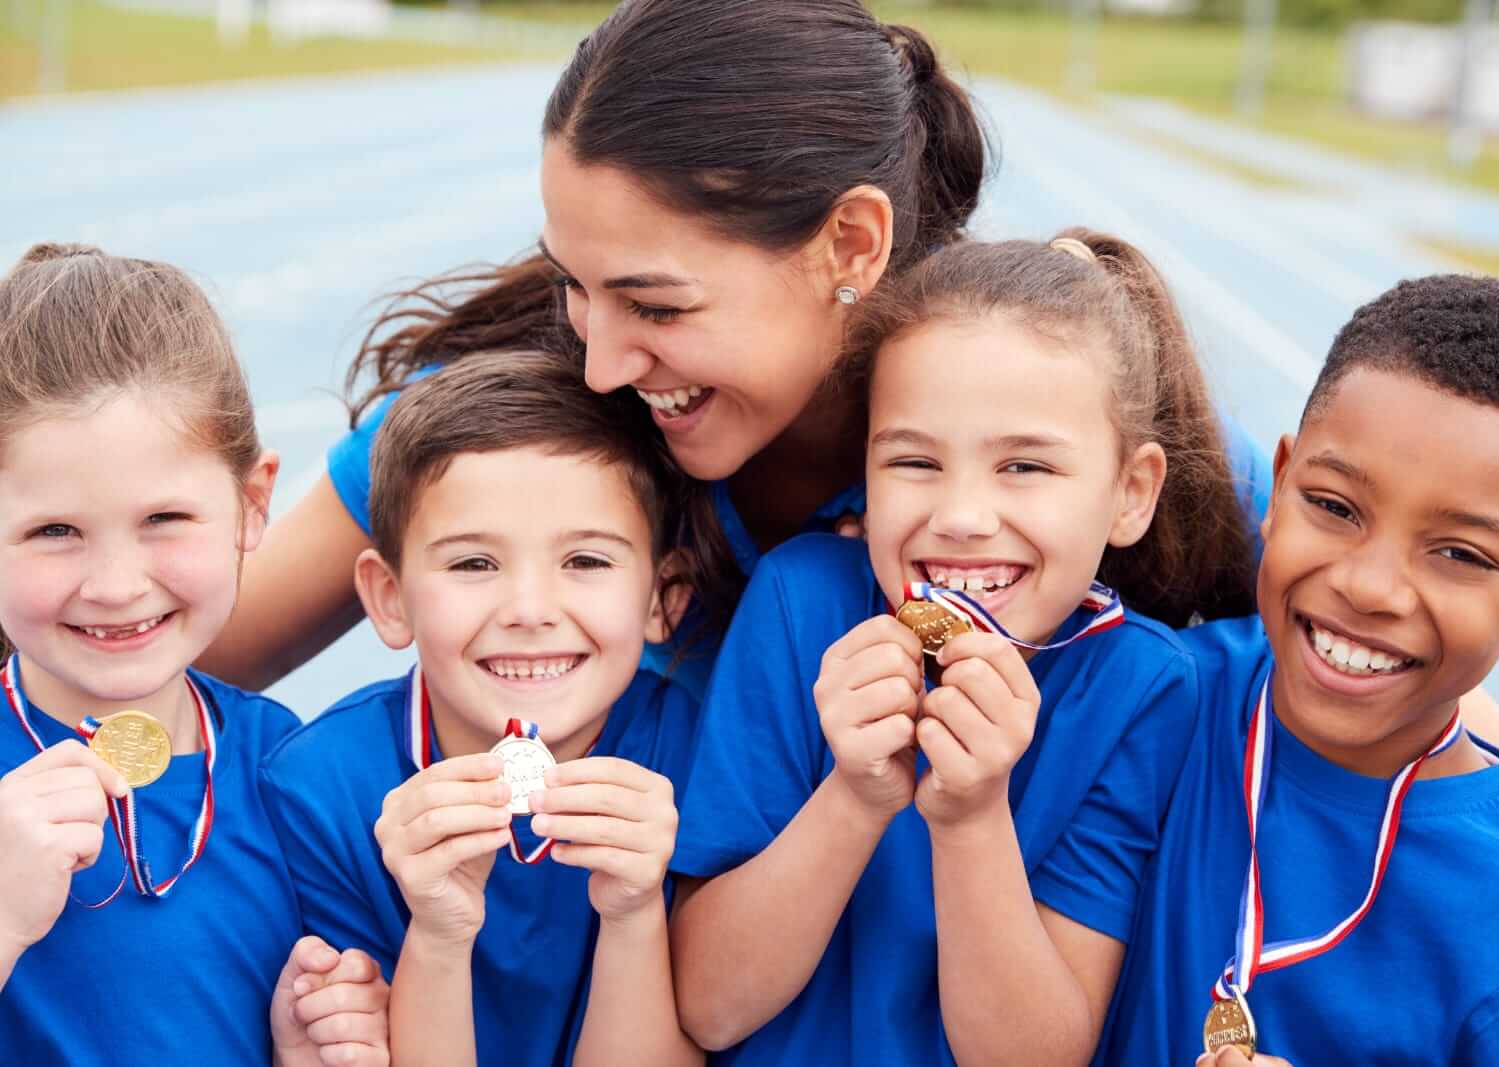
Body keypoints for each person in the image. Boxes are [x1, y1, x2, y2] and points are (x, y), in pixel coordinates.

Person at [196, 1, 1499, 832]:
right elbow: (169, 653)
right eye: (574, 288)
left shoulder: (1035, 417)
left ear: (850, 243)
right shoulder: (518, 443)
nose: (603, 361)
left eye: (654, 302)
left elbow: (1470, 747)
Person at [668, 231, 1251, 1063]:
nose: (963, 516)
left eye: (1025, 467)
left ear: (1130, 493)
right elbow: (709, 1005)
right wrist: (854, 796)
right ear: (863, 475)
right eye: (914, 460)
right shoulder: (803, 605)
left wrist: (973, 817)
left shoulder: (1142, 686)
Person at [1094, 275, 1499, 1065]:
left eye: (1460, 554)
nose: (1368, 585)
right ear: (1283, 482)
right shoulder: (1152, 698)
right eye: (1335, 505)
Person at [0, 244, 390, 1065]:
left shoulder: (298, 769)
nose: (114, 584)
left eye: (164, 519)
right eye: (55, 531)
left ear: (253, 504)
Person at [259, 349, 703, 1067]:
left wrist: (632, 915)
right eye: (473, 564)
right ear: (390, 597)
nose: (529, 611)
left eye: (586, 561)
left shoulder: (692, 751)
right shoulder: (316, 789)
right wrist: (438, 932)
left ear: (661, 597)